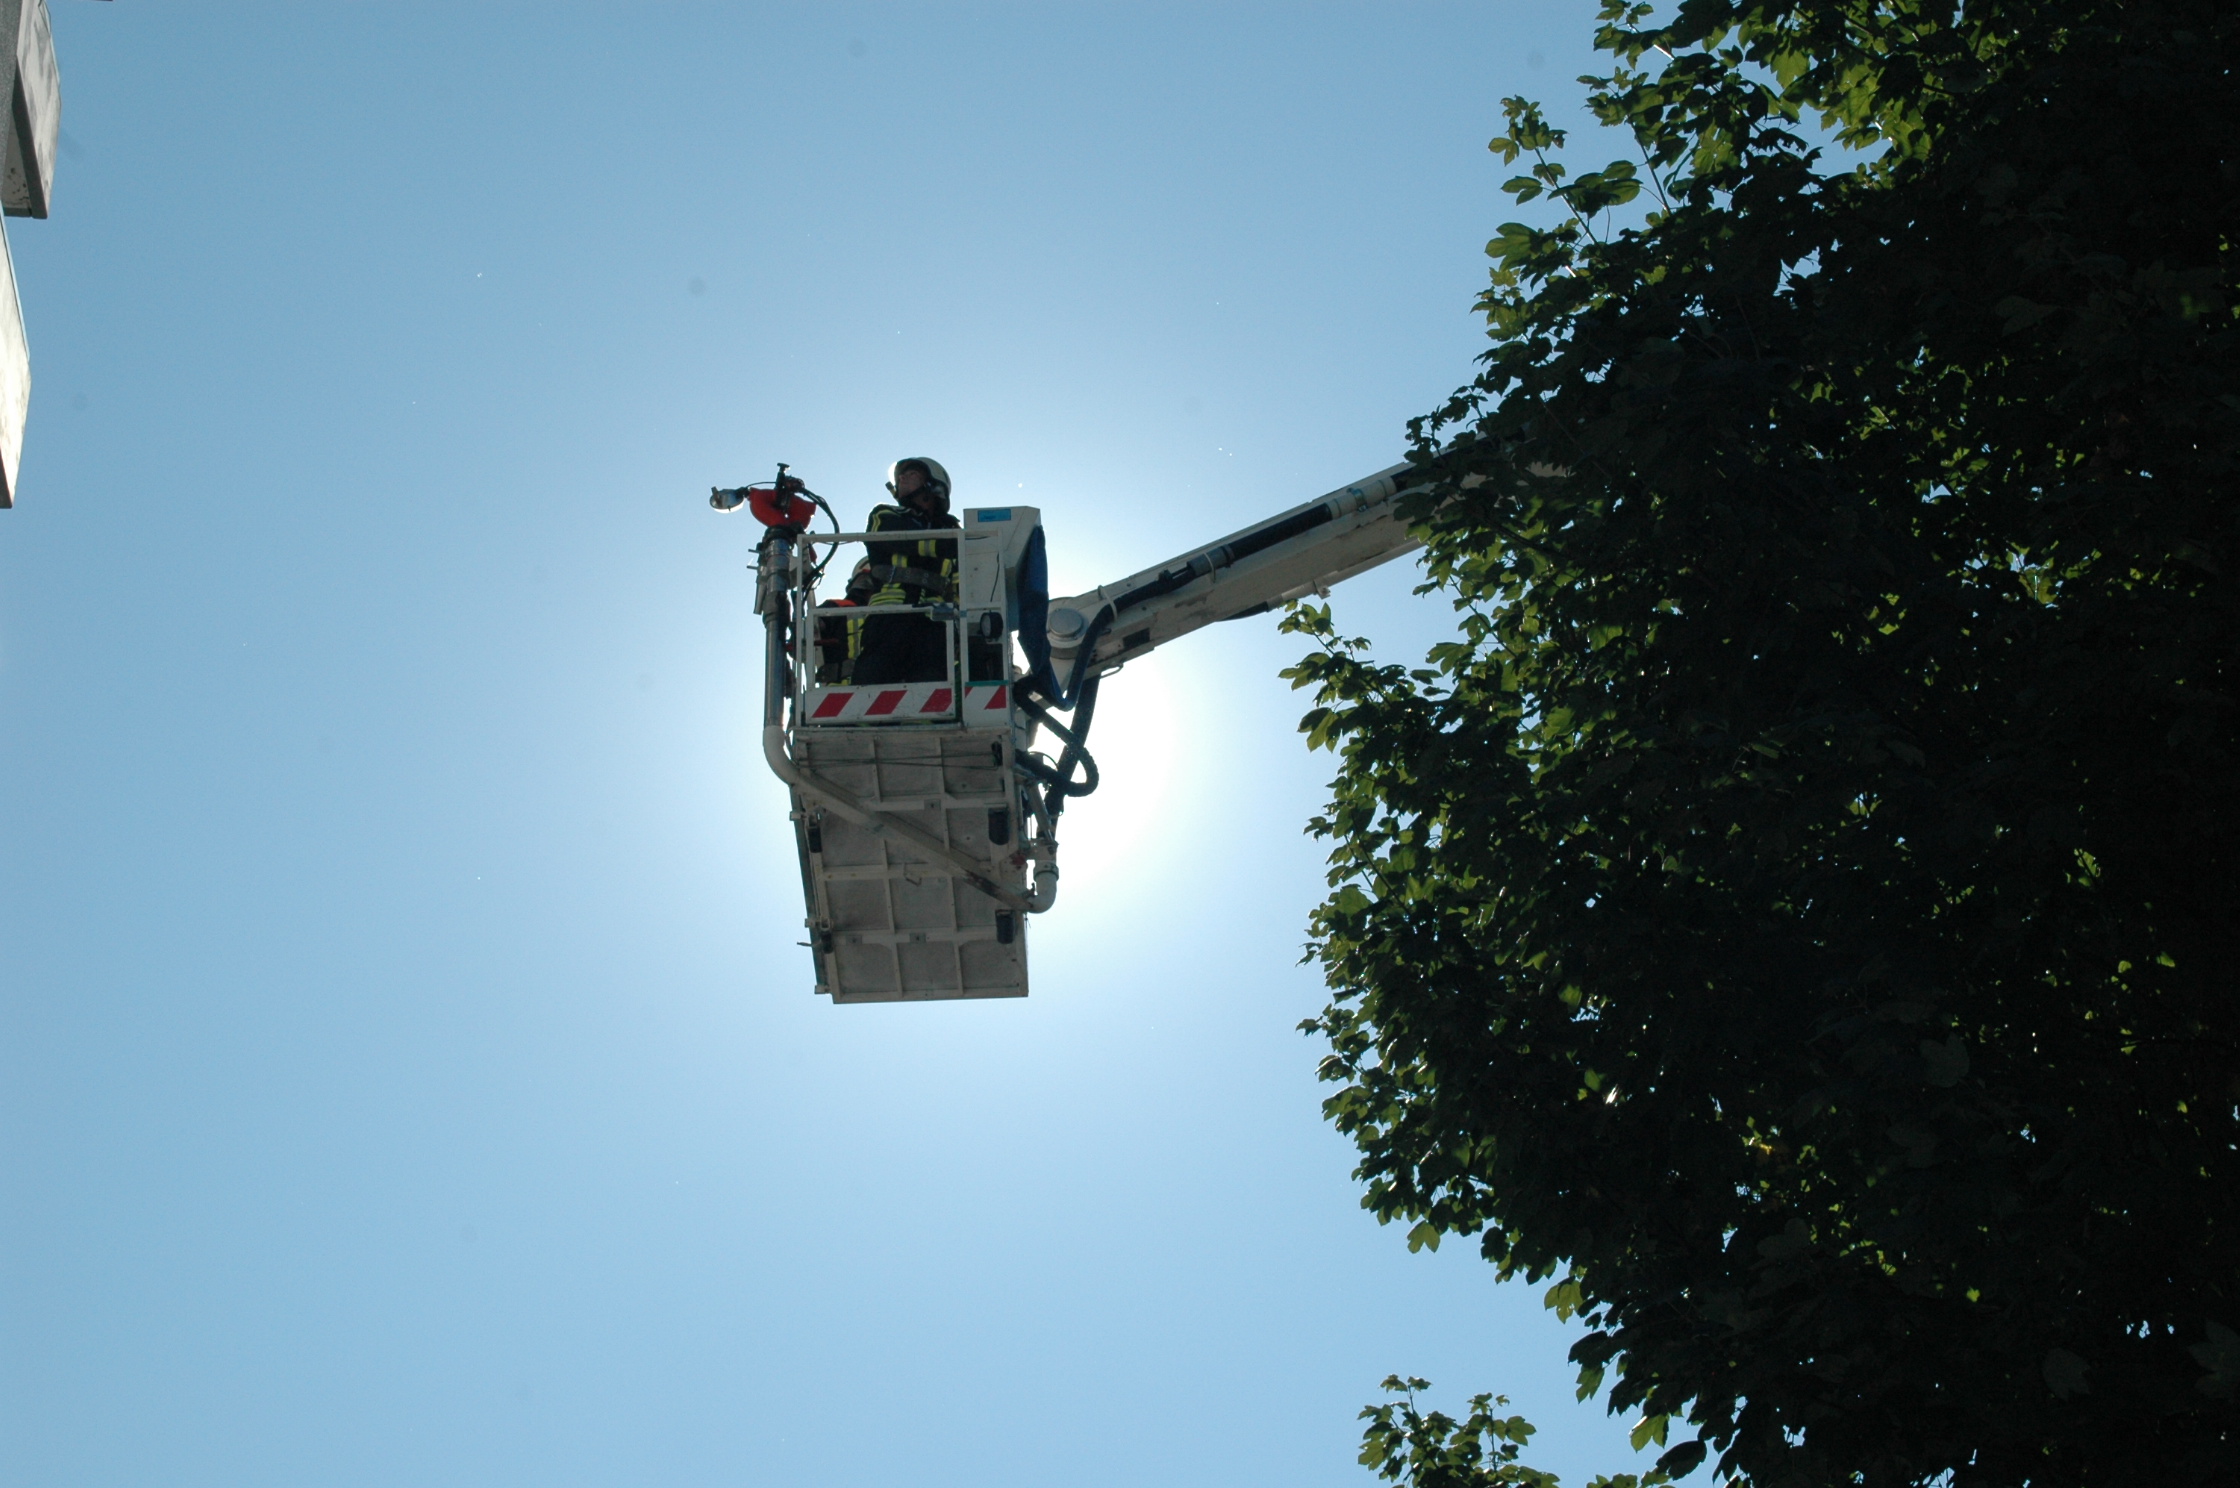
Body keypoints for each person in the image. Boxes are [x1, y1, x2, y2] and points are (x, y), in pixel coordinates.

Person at [849, 457, 961, 685]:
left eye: (912, 474)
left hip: (935, 624)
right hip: (888, 618)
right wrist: (952, 541)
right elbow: (908, 540)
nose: (902, 478)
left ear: (934, 486)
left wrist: (961, 625)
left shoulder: (952, 531)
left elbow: (962, 584)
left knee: (933, 690)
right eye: (900, 476)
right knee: (870, 688)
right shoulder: (884, 515)